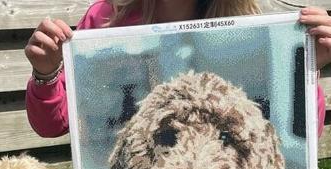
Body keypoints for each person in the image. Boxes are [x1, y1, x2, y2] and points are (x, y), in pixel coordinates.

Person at [24, 1, 329, 139]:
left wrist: (305, 68)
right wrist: (46, 73)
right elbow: (52, 126)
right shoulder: (105, 20)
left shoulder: (247, 32)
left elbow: (300, 135)